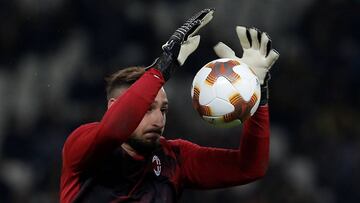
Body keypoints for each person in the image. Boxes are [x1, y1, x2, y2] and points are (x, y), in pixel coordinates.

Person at [60, 8, 279, 203]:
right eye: (148, 108)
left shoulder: (175, 159)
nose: (158, 120)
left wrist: (255, 95)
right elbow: (113, 130)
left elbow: (250, 167)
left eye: (163, 110)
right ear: (113, 106)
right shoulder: (83, 147)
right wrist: (165, 65)